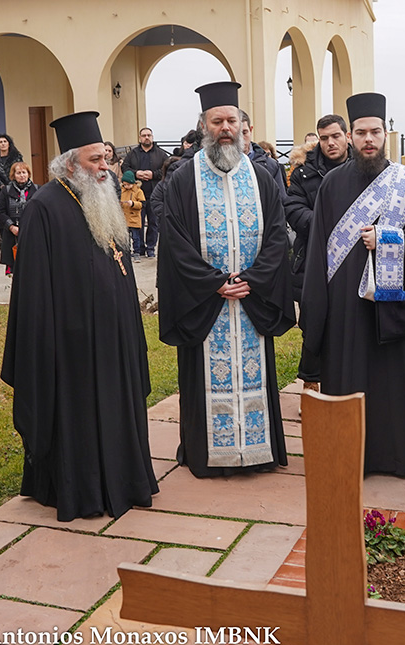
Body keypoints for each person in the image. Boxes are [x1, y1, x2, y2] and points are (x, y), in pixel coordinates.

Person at [1, 111, 158, 521]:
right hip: (72, 348)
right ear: (70, 164)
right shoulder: (44, 207)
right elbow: (34, 292)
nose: (104, 167)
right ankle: (83, 490)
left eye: (105, 158)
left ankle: (125, 481)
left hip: (114, 339)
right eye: (95, 161)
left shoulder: (102, 200)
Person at [157, 81, 296, 479]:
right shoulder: (183, 180)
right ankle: (206, 454)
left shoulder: (262, 178)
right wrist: (214, 283)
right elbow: (175, 242)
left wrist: (252, 280)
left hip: (250, 300)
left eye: (231, 120)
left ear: (241, 125)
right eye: (217, 120)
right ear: (204, 125)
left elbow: (276, 234)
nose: (225, 128)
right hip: (207, 303)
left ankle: (257, 451)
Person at [299, 92, 405, 476]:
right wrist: (317, 311)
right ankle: (348, 455)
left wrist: (390, 238)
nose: (368, 139)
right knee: (346, 380)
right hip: (345, 308)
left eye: (375, 131)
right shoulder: (330, 185)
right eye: (360, 133)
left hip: (392, 308)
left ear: (385, 134)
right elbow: (316, 255)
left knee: (392, 387)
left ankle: (394, 458)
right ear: (349, 136)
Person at [285, 113, 352, 391]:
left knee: (350, 322)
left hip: (354, 259)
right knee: (314, 322)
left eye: (336, 136)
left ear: (347, 136)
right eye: (324, 138)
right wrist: (327, 225)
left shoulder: (364, 168)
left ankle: (350, 381)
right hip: (314, 259)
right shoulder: (303, 172)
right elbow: (293, 209)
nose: (330, 143)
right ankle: (311, 384)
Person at [121, 126, 167, 258]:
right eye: (144, 135)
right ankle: (139, 248)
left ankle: (151, 248)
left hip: (154, 194)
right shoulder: (133, 154)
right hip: (135, 196)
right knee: (137, 222)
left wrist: (153, 174)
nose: (147, 137)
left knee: (153, 222)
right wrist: (137, 173)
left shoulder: (161, 154)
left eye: (149, 135)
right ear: (140, 138)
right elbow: (125, 167)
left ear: (152, 137)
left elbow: (165, 170)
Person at [0, 161, 38, 275]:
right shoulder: (6, 191)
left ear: (28, 174)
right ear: (13, 175)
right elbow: (0, 212)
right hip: (12, 235)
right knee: (16, 272)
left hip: (33, 233)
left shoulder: (38, 190)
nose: (22, 175)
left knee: (33, 268)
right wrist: (11, 227)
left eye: (24, 172)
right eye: (18, 173)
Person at [240, 110, 288, 200]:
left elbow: (281, 200)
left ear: (251, 130)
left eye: (244, 133)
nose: (241, 138)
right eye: (237, 134)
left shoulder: (271, 165)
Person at [119, 170, 145, 262]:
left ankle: (137, 252)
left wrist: (133, 203)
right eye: (124, 184)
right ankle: (127, 252)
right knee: (126, 238)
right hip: (124, 218)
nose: (126, 186)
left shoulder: (138, 191)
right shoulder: (121, 191)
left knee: (135, 237)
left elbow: (142, 204)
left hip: (134, 218)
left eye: (128, 184)